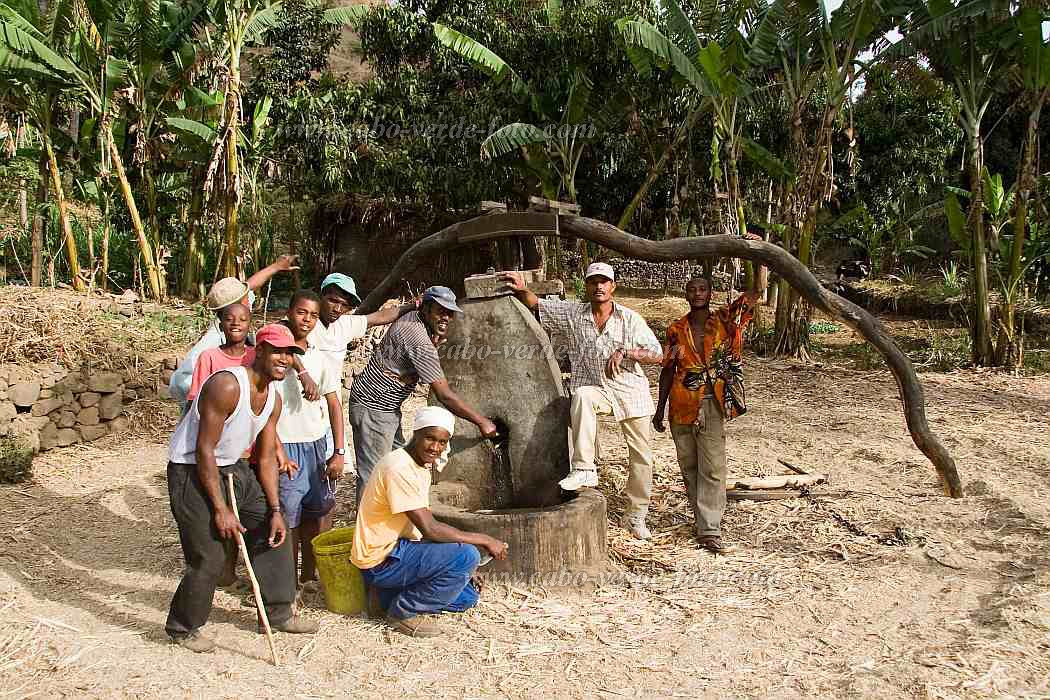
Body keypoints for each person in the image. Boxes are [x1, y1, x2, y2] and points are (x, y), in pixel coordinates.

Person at [165, 323, 318, 653]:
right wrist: (221, 509)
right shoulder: (227, 386)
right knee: (209, 554)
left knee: (272, 529)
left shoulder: (273, 399)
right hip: (191, 470)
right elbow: (204, 449)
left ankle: (277, 613)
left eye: (291, 354)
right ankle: (183, 627)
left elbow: (265, 459)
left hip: (233, 467)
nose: (284, 359)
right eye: (277, 351)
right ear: (258, 351)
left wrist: (276, 510)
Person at [502, 263, 663, 540]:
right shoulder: (574, 314)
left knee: (641, 457)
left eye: (604, 282)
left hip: (630, 393)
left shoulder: (629, 318)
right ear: (586, 286)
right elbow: (537, 304)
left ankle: (636, 515)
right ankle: (585, 469)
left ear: (613, 287)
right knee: (582, 396)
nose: (599, 287)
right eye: (593, 282)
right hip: (597, 388)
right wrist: (521, 288)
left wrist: (626, 351)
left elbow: (657, 354)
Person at [352, 406, 509, 638]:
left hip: (400, 548)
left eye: (442, 442)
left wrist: (460, 571)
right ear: (415, 433)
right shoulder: (399, 468)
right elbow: (431, 528)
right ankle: (402, 612)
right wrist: (483, 539)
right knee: (468, 555)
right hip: (381, 559)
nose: (435, 447)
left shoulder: (419, 466)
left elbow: (423, 527)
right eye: (429, 438)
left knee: (467, 597)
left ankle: (383, 597)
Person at [347, 286, 497, 505]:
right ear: (426, 309)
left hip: (385, 408)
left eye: (450, 312)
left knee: (398, 465)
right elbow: (444, 395)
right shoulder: (418, 338)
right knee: (374, 476)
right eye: (440, 311)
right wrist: (482, 422)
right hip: (374, 407)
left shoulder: (414, 319)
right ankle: (366, 533)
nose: (446, 317)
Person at [654, 276, 757, 555]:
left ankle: (710, 530)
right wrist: (659, 408)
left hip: (712, 402)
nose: (697, 293)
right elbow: (668, 369)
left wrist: (756, 257)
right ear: (685, 293)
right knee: (689, 465)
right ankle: (702, 522)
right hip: (681, 402)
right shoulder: (676, 329)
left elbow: (753, 294)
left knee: (712, 467)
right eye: (692, 289)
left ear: (711, 293)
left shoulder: (725, 322)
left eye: (702, 289)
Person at [293, 273, 417, 458]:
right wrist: (303, 373)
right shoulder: (306, 325)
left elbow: (379, 316)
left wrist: (413, 305)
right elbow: (281, 341)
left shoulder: (344, 324)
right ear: (320, 297)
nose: (338, 308)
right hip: (299, 409)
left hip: (329, 410)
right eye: (333, 301)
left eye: (344, 305)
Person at [274, 290, 344, 585]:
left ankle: (309, 577)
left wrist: (338, 451)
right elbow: (288, 354)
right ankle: (287, 582)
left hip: (316, 442)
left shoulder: (320, 357)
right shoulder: (274, 351)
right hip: (285, 445)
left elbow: (334, 404)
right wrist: (302, 372)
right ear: (289, 312)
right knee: (289, 516)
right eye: (302, 312)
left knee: (316, 512)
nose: (307, 320)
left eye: (314, 315)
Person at [169, 254, 300, 408]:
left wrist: (276, 267)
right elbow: (179, 383)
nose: (249, 298)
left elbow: (251, 285)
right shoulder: (211, 344)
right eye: (245, 297)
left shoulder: (239, 316)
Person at [186, 303, 253, 403]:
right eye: (229, 319)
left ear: (250, 327)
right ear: (221, 326)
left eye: (242, 320)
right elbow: (196, 396)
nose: (236, 323)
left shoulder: (256, 356)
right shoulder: (208, 357)